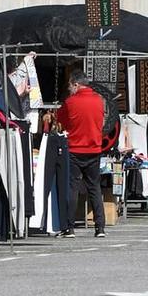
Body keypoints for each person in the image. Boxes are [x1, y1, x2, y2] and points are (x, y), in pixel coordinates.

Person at [53, 68, 109, 238]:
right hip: (94, 149)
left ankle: (69, 228)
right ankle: (100, 227)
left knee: (72, 188)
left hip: (75, 149)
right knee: (94, 188)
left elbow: (60, 120)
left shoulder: (71, 102)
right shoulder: (99, 100)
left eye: (70, 85)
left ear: (76, 84)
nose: (69, 88)